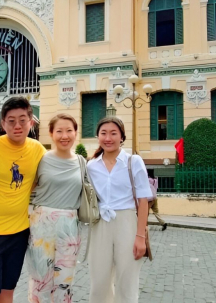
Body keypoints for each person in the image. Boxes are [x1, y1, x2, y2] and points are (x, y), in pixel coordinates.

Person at [0, 96, 45, 303]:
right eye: (11, 120)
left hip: (19, 233)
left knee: (7, 292)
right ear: (3, 123)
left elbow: (40, 180)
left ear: (31, 122)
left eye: (23, 120)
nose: (17, 125)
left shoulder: (38, 150)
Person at [86, 117, 151, 303]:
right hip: (99, 224)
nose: (108, 138)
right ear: (97, 136)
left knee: (127, 280)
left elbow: (143, 200)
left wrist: (140, 237)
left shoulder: (133, 161)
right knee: (99, 281)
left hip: (127, 222)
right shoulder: (91, 166)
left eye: (113, 133)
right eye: (103, 133)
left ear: (122, 137)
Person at [26, 114, 83, 303]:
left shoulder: (81, 162)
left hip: (69, 226)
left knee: (65, 278)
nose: (64, 135)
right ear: (51, 133)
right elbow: (27, 189)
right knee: (41, 277)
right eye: (59, 131)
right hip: (42, 222)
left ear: (76, 133)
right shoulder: (40, 160)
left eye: (69, 130)